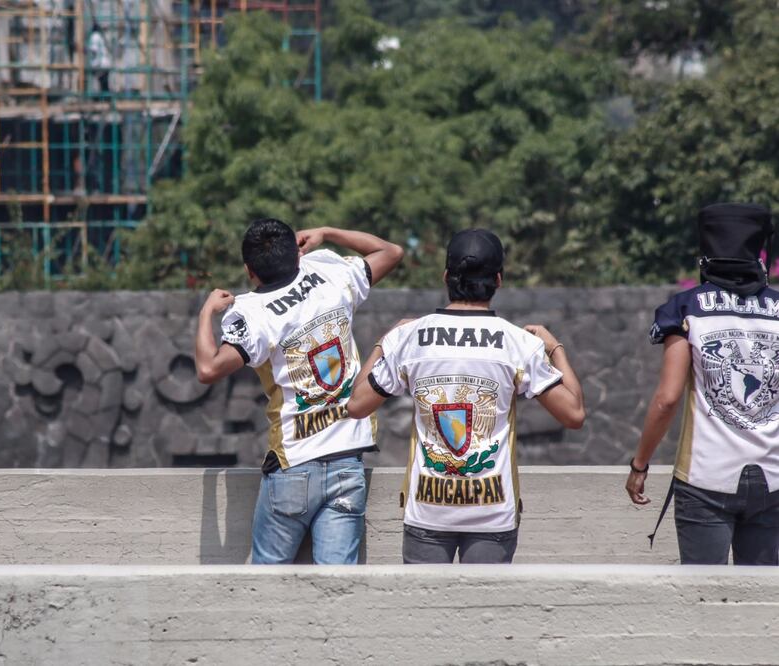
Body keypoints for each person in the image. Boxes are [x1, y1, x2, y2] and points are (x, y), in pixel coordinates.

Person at [347, 229, 585, 564]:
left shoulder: (411, 338)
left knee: (425, 613)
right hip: (492, 515)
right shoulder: (518, 343)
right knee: (484, 613)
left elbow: (356, 405)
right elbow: (573, 413)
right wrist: (555, 348)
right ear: (498, 280)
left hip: (427, 513)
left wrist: (385, 341)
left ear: (446, 277)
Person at [195, 219, 403, 564]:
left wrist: (206, 312)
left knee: (265, 590)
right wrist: (328, 232)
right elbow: (390, 252)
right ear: (297, 254)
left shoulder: (251, 312)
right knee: (338, 591)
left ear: (250, 271)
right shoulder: (329, 272)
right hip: (347, 462)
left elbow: (207, 369)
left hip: (293, 463)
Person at [626, 203, 779, 565]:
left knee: (702, 599)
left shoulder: (686, 308)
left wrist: (640, 465)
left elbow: (667, 399)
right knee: (763, 605)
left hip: (706, 478)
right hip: (774, 479)